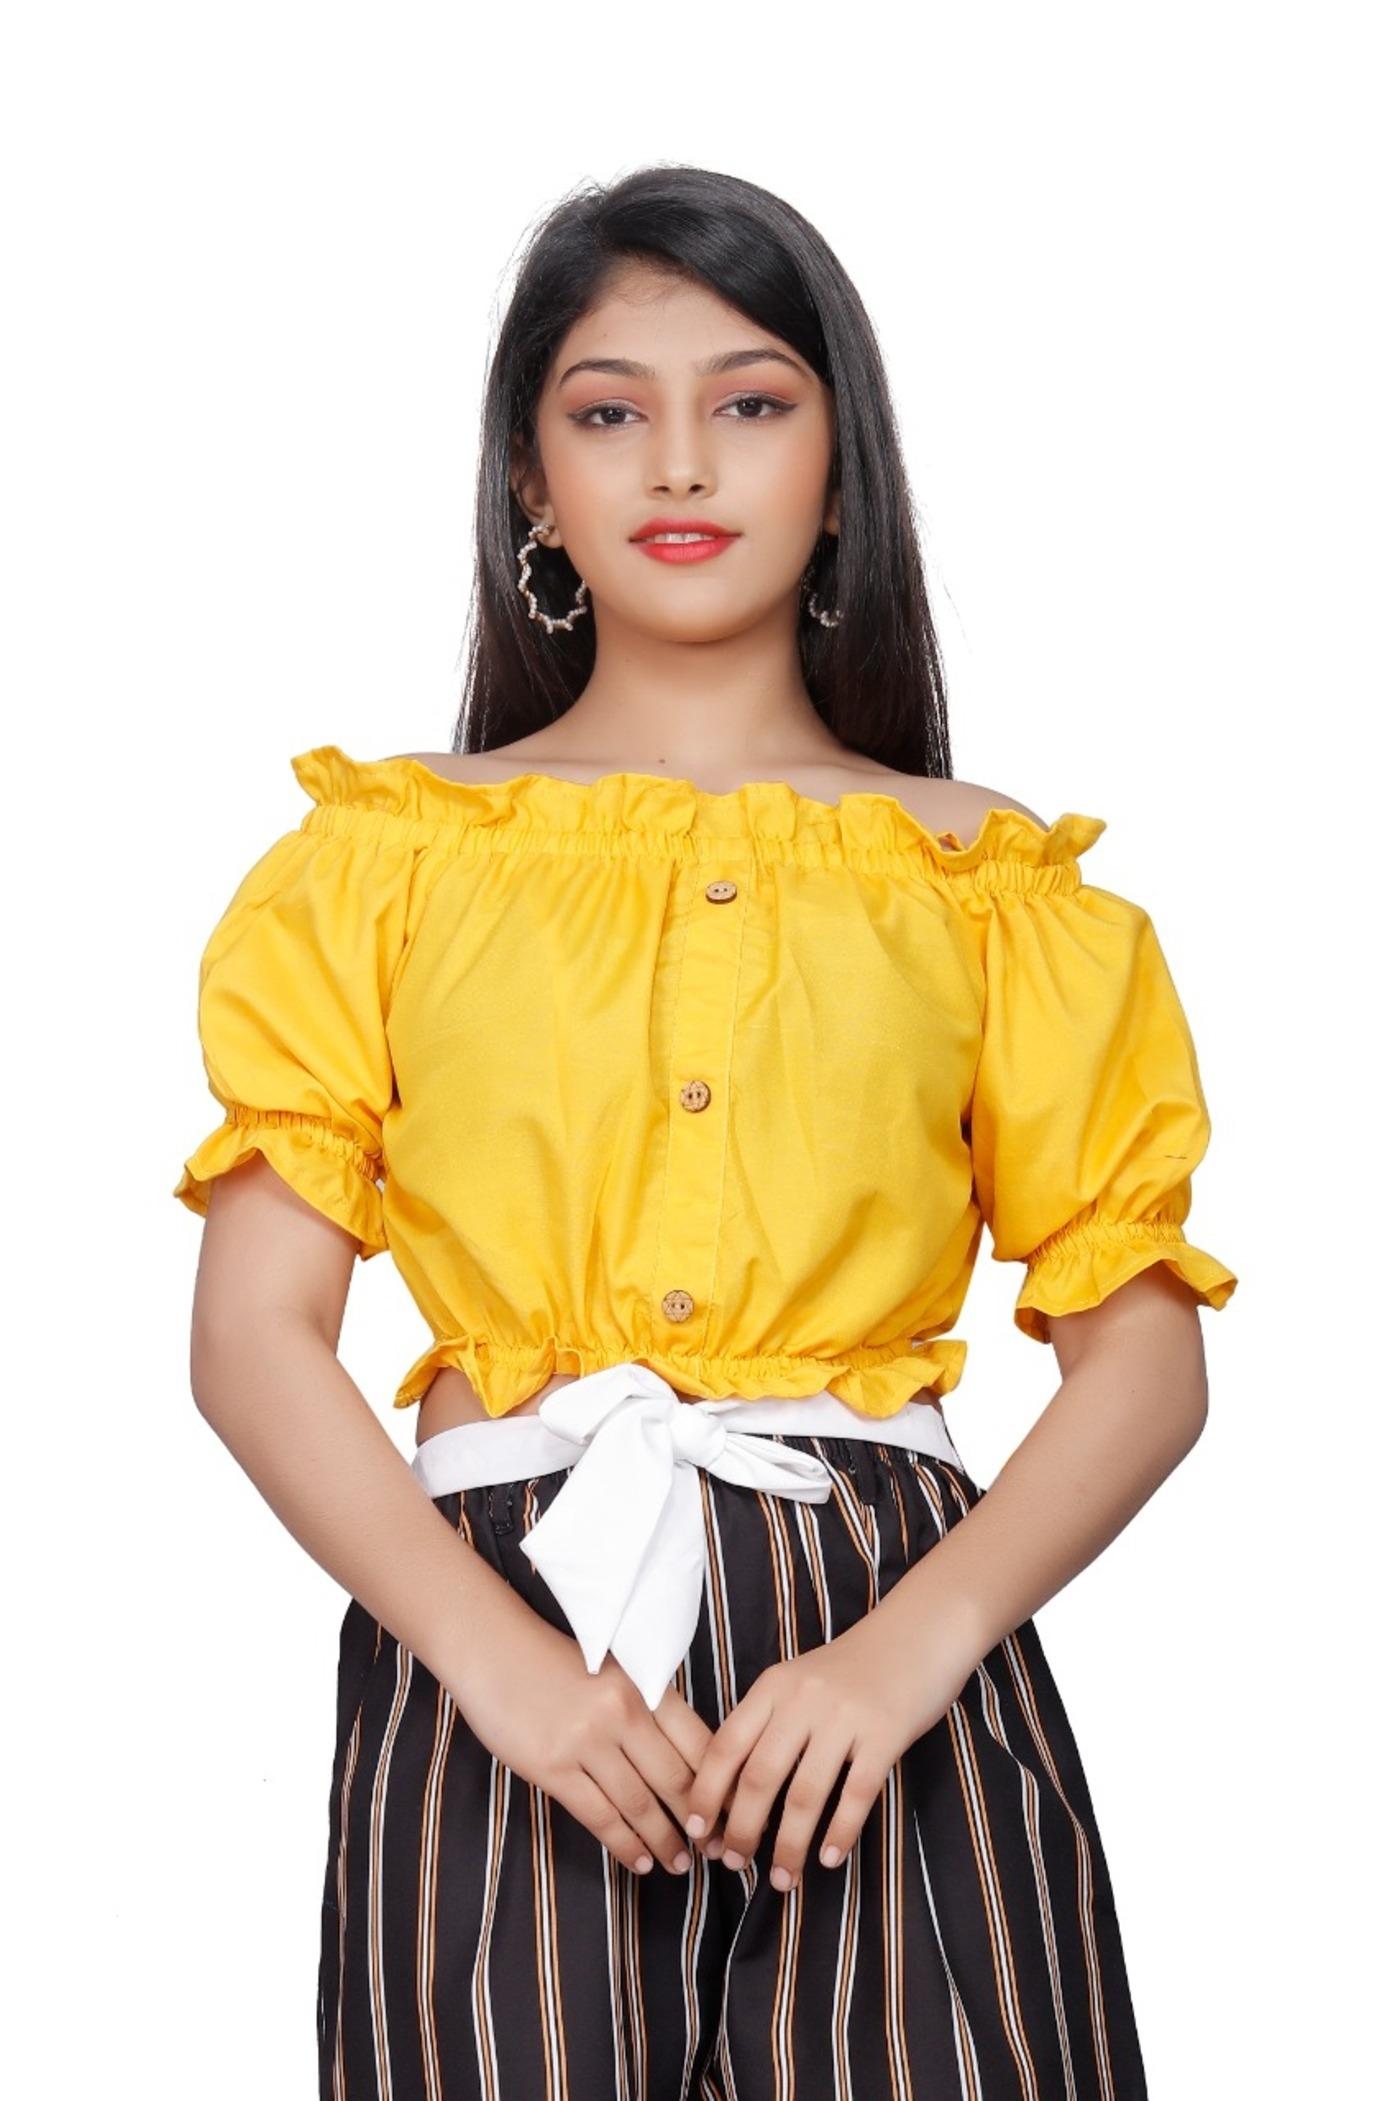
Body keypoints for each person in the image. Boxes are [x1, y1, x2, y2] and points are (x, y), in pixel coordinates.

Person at [172, 164, 1237, 2100]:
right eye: (608, 411)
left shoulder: (990, 882)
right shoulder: (382, 862)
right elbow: (253, 1333)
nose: (680, 461)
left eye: (750, 401)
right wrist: (494, 1663)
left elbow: (1145, 1358)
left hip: (889, 1638)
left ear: (842, 470)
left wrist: (902, 1655)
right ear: (531, 480)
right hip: (499, 1634)